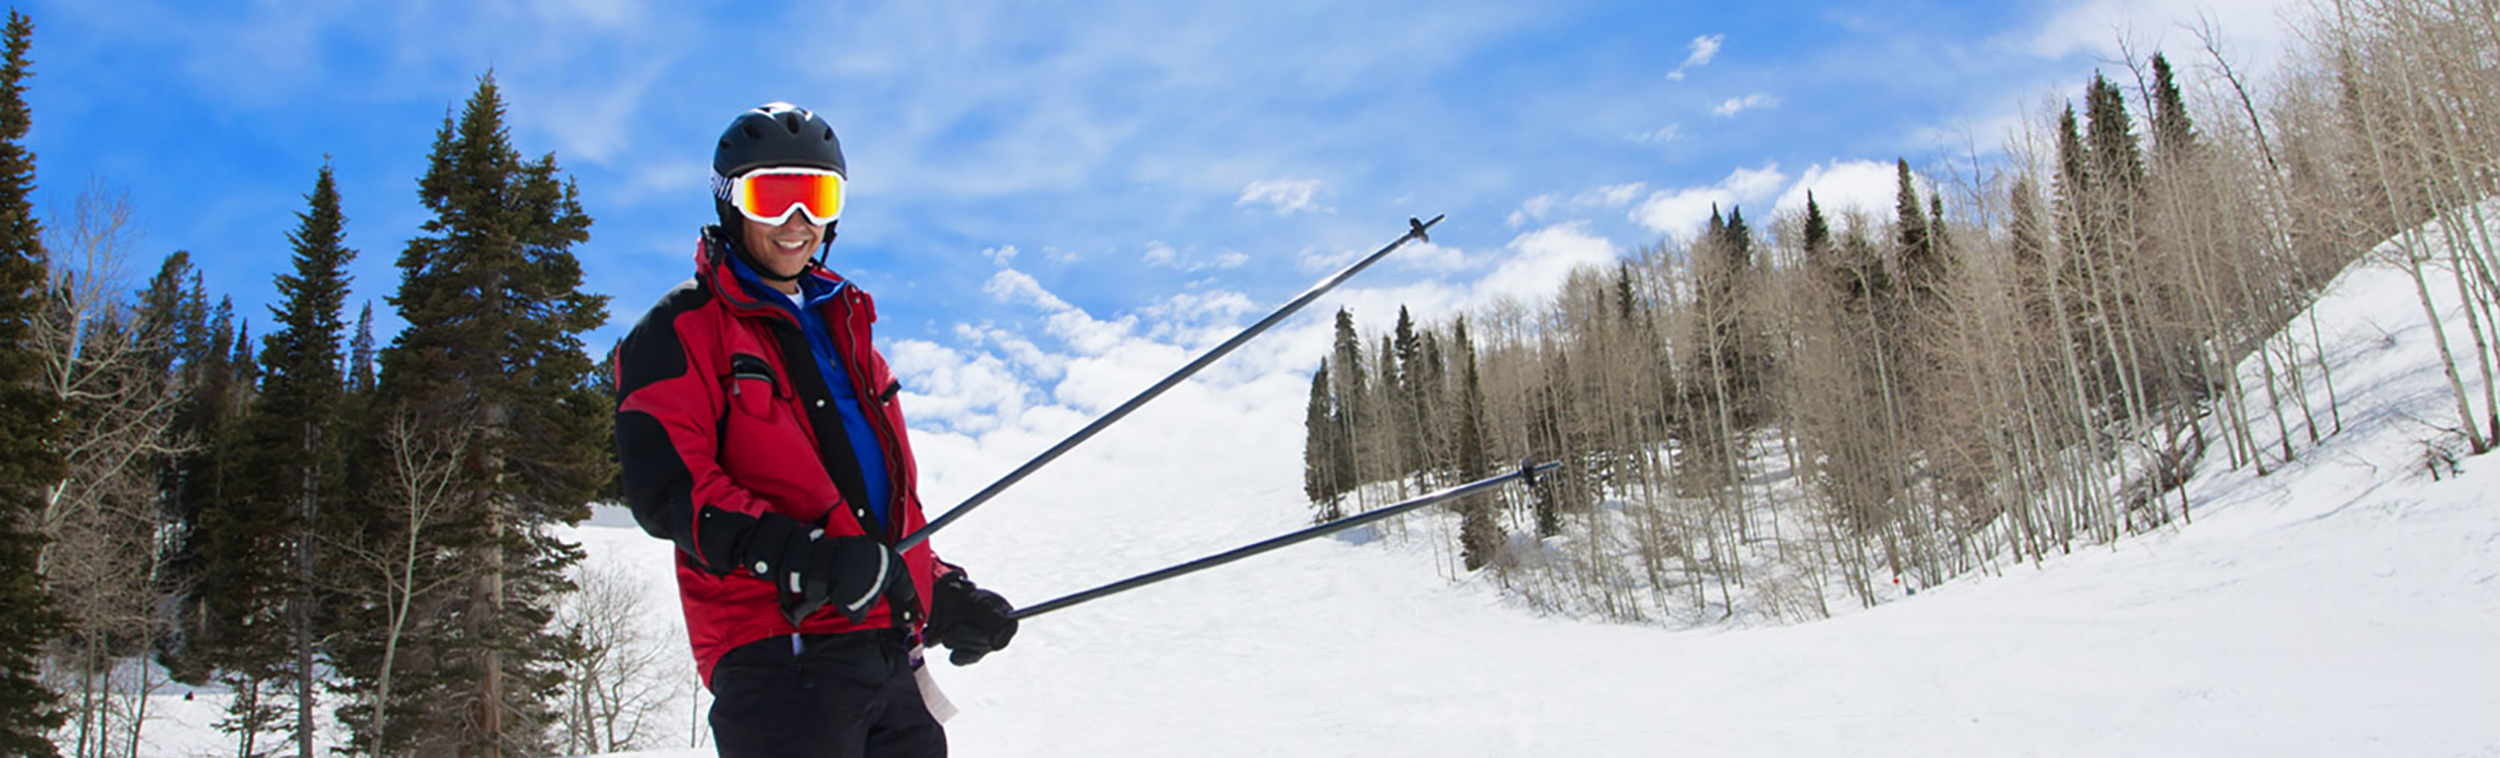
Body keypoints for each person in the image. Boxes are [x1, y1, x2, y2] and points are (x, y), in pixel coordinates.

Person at [614, 102, 1020, 758]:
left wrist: (937, 590)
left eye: (816, 197)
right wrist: (804, 558)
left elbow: (875, 507)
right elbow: (672, 488)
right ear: (731, 202)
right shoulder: (682, 329)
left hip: (887, 656)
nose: (796, 223)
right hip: (781, 657)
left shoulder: (850, 335)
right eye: (773, 196)